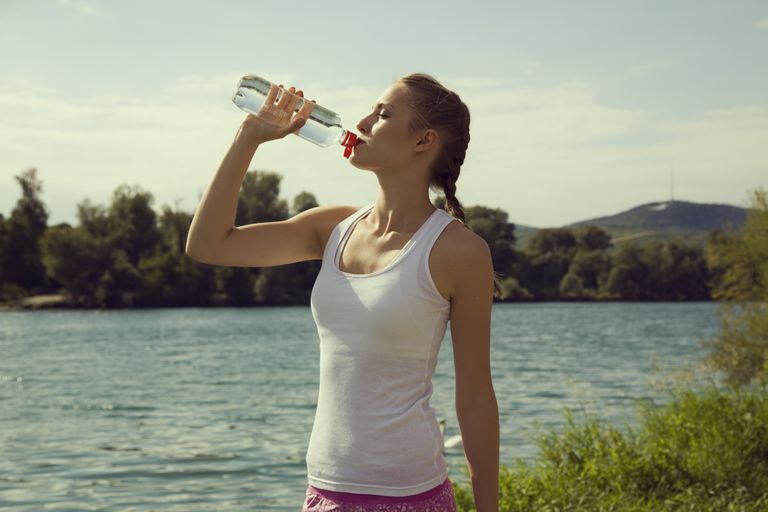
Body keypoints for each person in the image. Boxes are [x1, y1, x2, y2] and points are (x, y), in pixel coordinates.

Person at [186, 73, 500, 511]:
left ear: (423, 141)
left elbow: (476, 398)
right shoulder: (331, 228)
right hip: (325, 492)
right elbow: (207, 245)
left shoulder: (459, 251)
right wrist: (249, 137)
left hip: (410, 496)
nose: (362, 122)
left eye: (383, 113)